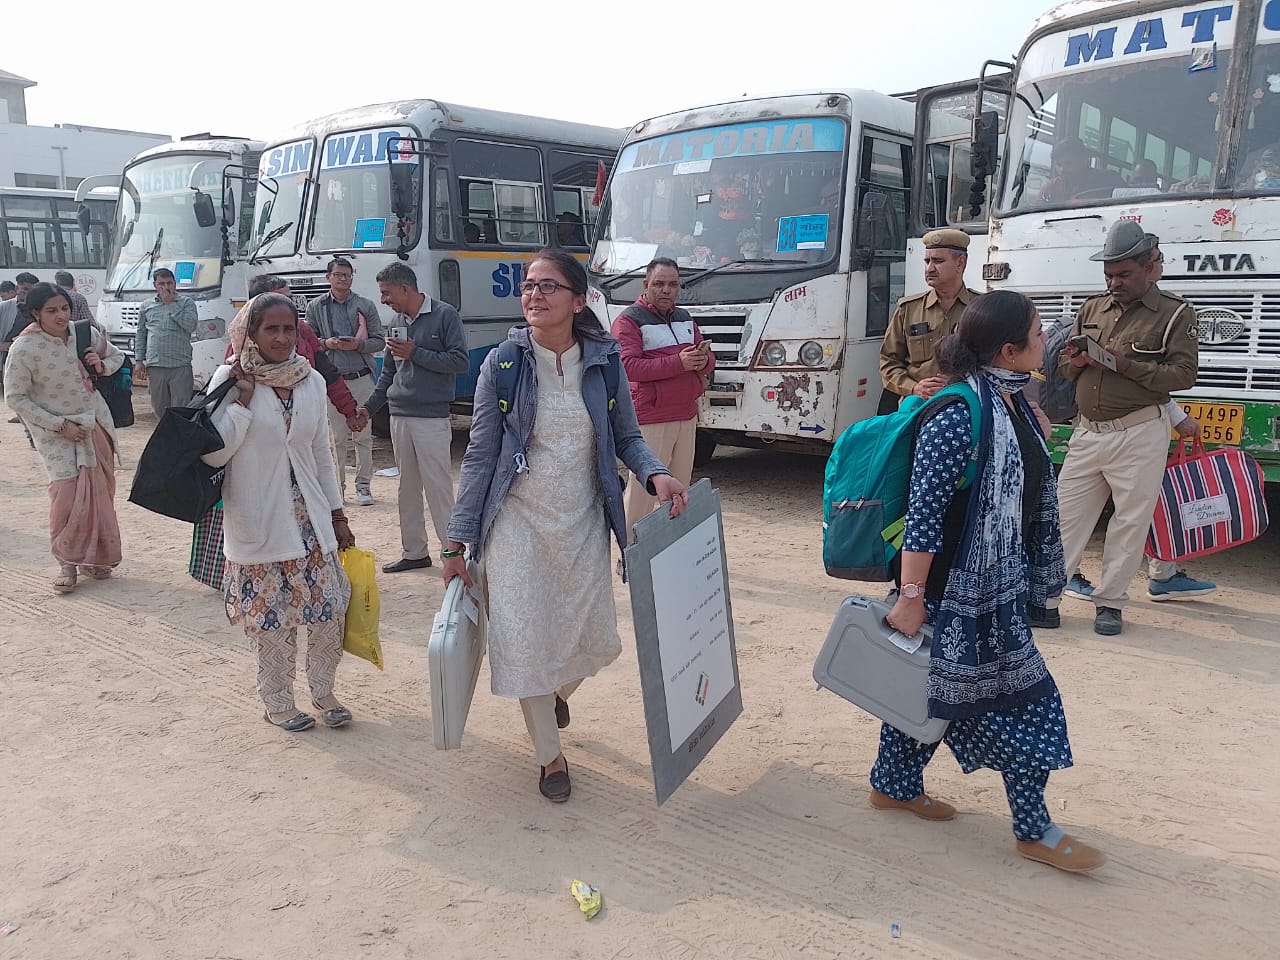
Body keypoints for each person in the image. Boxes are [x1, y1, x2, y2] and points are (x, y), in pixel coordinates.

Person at [871, 289, 1104, 873]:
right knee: (1029, 703)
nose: (1046, 340)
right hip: (956, 592)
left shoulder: (1013, 402)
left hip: (996, 586)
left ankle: (893, 785)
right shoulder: (958, 413)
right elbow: (924, 515)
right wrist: (911, 597)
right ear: (1008, 350)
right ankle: (1034, 829)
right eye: (1038, 333)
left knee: (935, 688)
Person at [443, 249, 688, 802]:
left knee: (592, 638)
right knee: (525, 638)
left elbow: (627, 437)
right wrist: (456, 542)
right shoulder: (502, 364)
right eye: (529, 285)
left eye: (548, 286)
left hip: (582, 521)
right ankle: (550, 756)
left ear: (578, 301)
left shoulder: (603, 362)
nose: (534, 294)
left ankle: (553, 695)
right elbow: (480, 456)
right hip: (516, 523)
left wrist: (656, 474)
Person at [202, 293, 356, 732]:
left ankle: (324, 691)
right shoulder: (230, 378)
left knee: (328, 613)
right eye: (271, 329)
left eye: (289, 329)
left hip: (311, 522)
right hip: (260, 520)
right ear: (250, 333)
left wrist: (337, 515)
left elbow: (321, 454)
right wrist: (242, 403)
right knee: (272, 622)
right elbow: (214, 454)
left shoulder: (311, 380)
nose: (282, 338)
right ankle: (277, 701)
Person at [1047, 222, 1199, 636]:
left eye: (1124, 274)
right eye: (1109, 274)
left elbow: (1183, 374)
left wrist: (1123, 365)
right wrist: (1076, 361)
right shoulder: (1092, 308)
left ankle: (1110, 603)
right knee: (1064, 518)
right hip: (1087, 431)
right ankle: (1047, 597)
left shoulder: (1175, 313)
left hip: (1139, 432)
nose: (1114, 283)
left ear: (1150, 267)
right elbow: (1063, 367)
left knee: (1129, 523)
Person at [3, 283, 124, 594]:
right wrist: (59, 425)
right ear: (36, 313)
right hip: (56, 435)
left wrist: (101, 365)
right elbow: (15, 397)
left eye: (65, 308)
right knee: (66, 496)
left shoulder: (83, 333)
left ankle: (96, 559)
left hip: (96, 424)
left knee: (101, 493)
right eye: (52, 310)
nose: (61, 316)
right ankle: (66, 565)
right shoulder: (24, 348)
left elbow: (117, 357)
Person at [360, 263, 468, 573]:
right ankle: (415, 552)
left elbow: (459, 361)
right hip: (400, 415)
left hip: (431, 417)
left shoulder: (445, 315)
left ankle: (453, 553)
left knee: (437, 487)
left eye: (386, 293)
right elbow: (389, 373)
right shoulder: (396, 322)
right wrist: (368, 409)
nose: (383, 300)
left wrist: (415, 352)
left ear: (405, 288)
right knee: (406, 488)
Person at [612, 257, 714, 543]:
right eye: (659, 283)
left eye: (672, 284)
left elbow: (708, 358)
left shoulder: (684, 318)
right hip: (651, 418)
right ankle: (629, 553)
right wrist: (679, 363)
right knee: (642, 495)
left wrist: (704, 360)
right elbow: (627, 367)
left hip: (685, 415)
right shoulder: (628, 321)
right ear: (646, 285)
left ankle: (672, 551)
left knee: (680, 491)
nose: (666, 290)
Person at [306, 257, 385, 506]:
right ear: (328, 277)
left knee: (363, 436)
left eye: (348, 275)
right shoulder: (316, 306)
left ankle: (363, 487)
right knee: (336, 439)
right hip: (332, 381)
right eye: (338, 274)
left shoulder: (365, 305)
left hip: (361, 376)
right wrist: (327, 343)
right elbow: (308, 340)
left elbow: (379, 341)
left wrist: (358, 345)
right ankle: (337, 490)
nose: (343, 279)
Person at [880, 229, 980, 405]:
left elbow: (995, 363)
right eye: (927, 261)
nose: (929, 268)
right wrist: (914, 387)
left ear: (960, 263)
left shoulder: (980, 309)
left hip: (965, 404)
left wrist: (961, 382)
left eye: (938, 261)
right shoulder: (908, 309)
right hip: (916, 406)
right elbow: (888, 361)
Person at [135, 267, 198, 418]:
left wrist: (171, 304)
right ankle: (165, 432)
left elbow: (190, 326)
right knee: (159, 408)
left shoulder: (186, 303)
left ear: (175, 284)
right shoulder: (146, 306)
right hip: (156, 365)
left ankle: (180, 434)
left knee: (181, 409)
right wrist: (138, 360)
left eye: (169, 283)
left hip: (180, 365)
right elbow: (141, 333)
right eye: (161, 284)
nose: (166, 287)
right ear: (155, 286)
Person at [1038, 138, 1123, 204]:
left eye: (1068, 163)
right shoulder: (1051, 188)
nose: (1062, 170)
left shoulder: (1108, 179)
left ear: (1083, 160)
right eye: (1059, 165)